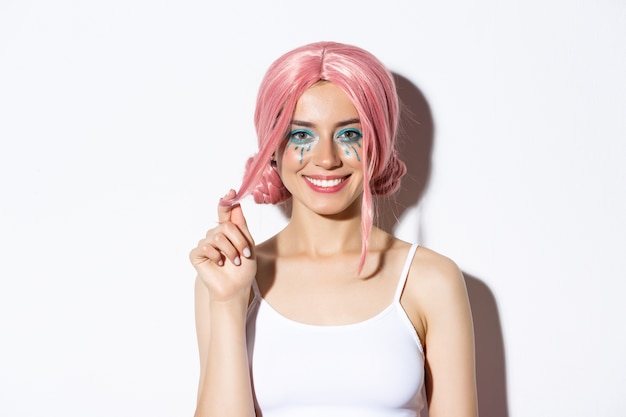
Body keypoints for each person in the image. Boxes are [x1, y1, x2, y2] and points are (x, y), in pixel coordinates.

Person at [189, 41, 478, 417]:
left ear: (379, 145)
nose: (326, 159)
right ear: (272, 148)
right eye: (301, 136)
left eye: (350, 135)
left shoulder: (431, 280)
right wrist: (228, 303)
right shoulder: (226, 279)